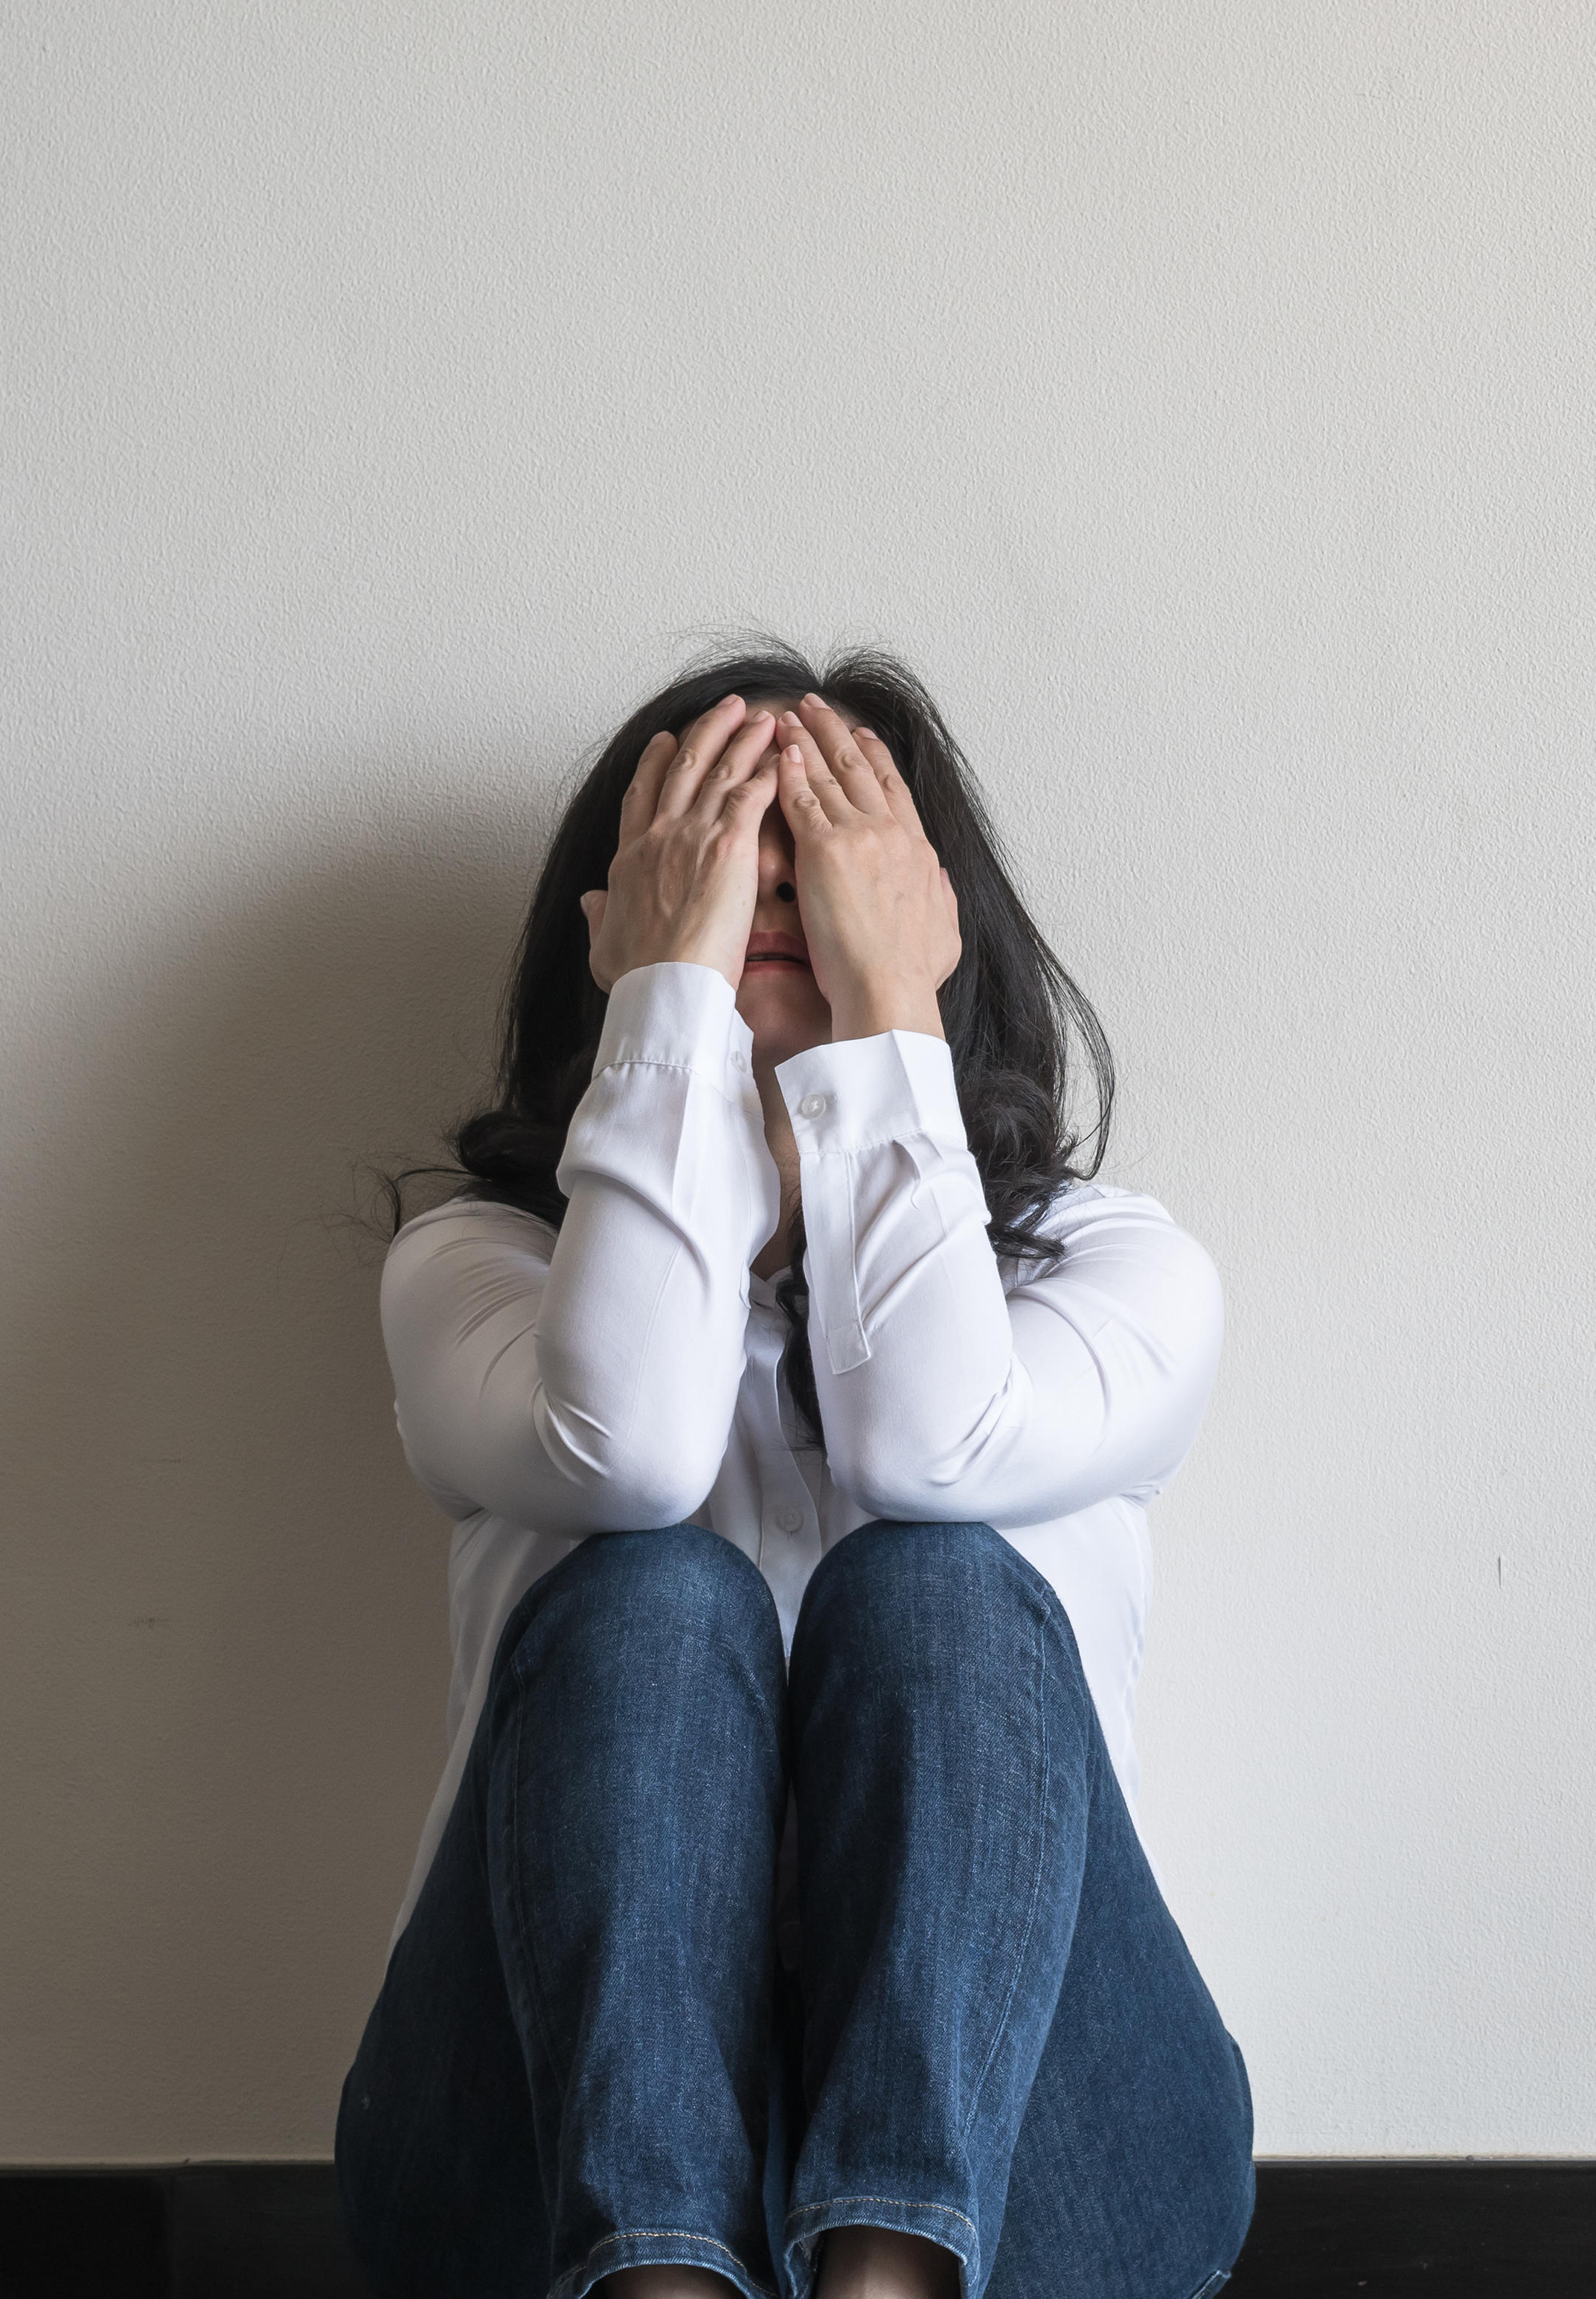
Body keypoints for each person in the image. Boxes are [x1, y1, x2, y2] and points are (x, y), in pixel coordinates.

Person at [337, 648, 1252, 2299]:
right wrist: (672, 1016)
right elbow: (629, 1449)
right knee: (651, 1595)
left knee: (937, 1580)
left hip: (1054, 2173)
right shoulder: (474, 1275)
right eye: (715, 851)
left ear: (929, 913)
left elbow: (932, 1446)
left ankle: (890, 2279)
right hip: (523, 2168)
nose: (767, 891)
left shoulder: (1116, 1277)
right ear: (614, 925)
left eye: (825, 856)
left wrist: (886, 1018)